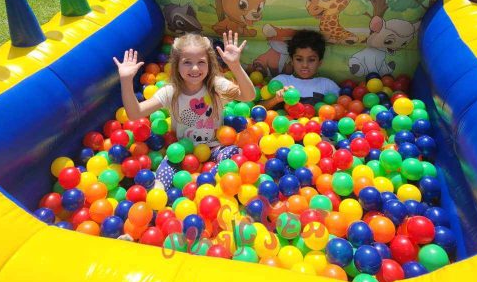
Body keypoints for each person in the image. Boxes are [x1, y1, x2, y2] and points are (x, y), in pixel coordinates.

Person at [114, 31, 256, 190]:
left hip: (213, 148)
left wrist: (235, 65)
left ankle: (205, 184)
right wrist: (126, 80)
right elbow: (135, 113)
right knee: (161, 180)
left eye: (201, 62)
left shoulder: (216, 86)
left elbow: (248, 96)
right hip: (181, 152)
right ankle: (170, 194)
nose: (195, 68)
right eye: (187, 62)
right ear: (176, 65)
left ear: (209, 63)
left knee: (234, 152)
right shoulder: (171, 92)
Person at [259, 29, 339, 109]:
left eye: (311, 60)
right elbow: (259, 108)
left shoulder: (327, 85)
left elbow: (340, 108)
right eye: (299, 59)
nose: (305, 65)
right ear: (292, 61)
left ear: (319, 62)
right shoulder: (281, 82)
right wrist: (275, 100)